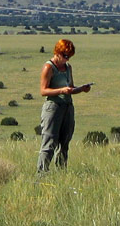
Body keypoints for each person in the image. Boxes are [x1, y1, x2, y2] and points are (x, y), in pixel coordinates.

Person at [37, 39, 91, 173]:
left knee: (64, 143)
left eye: (69, 56)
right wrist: (61, 90)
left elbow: (70, 88)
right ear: (58, 52)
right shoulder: (49, 67)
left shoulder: (68, 67)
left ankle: (61, 173)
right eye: (65, 56)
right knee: (49, 143)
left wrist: (81, 89)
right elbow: (43, 91)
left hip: (67, 106)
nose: (67, 59)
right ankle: (41, 174)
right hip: (53, 108)